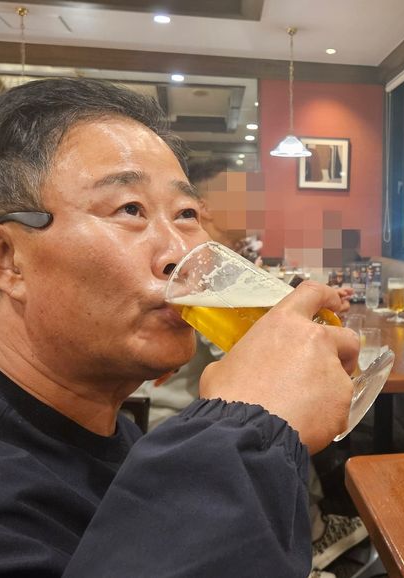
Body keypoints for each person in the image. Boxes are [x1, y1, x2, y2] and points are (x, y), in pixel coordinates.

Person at [0, 78, 359, 577]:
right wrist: (245, 428)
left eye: (186, 214)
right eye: (130, 210)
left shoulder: (103, 423)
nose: (181, 253)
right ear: (6, 258)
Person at [134, 158, 368, 576]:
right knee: (286, 408)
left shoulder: (226, 260)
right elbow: (253, 354)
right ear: (205, 206)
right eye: (243, 195)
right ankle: (309, 541)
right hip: (181, 411)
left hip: (209, 407)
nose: (257, 205)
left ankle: (310, 529)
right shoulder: (199, 270)